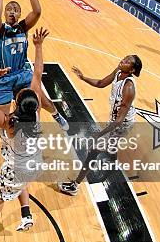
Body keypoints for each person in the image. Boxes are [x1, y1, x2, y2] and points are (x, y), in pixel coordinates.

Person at [0, 27, 49, 238]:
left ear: (17, 103)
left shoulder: (10, 124)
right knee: (22, 181)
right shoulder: (36, 114)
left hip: (16, 167)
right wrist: (38, 47)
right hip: (34, 162)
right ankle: (26, 213)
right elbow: (37, 73)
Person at [0, 0, 69, 133]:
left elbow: (37, 11)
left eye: (16, 10)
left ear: (20, 14)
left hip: (22, 73)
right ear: (5, 13)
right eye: (9, 10)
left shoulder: (23, 27)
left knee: (41, 100)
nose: (12, 12)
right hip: (2, 77)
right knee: (3, 121)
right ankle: (5, 144)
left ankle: (56, 114)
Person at [59, 55, 142, 196]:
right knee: (110, 146)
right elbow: (101, 83)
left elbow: (119, 121)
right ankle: (113, 160)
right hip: (115, 120)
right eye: (125, 58)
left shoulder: (129, 88)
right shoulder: (118, 71)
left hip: (122, 124)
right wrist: (83, 77)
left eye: (128, 62)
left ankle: (75, 186)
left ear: (132, 70)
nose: (123, 60)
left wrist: (100, 134)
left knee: (93, 151)